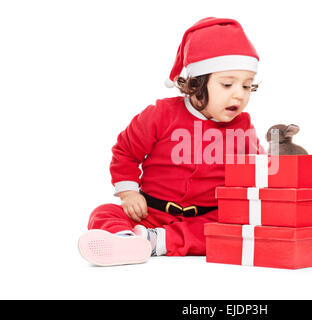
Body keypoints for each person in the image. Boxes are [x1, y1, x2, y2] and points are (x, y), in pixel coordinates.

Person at [78, 17, 264, 266]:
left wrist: (279, 162)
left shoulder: (242, 127)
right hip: (150, 212)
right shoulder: (161, 114)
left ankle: (152, 242)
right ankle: (124, 238)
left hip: (205, 217)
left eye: (247, 86)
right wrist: (129, 193)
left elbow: (258, 169)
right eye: (228, 84)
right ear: (197, 82)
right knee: (104, 212)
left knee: (231, 227)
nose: (239, 94)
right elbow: (126, 152)